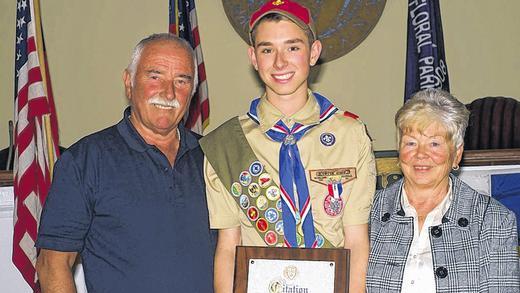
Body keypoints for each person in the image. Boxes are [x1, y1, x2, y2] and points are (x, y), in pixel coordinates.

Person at [200, 1, 376, 292]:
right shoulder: (228, 144)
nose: (280, 63)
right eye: (267, 50)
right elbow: (228, 247)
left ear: (314, 52)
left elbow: (357, 241)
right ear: (253, 57)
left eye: (293, 47)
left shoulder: (350, 135)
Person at [35, 33, 214, 293]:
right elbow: (52, 265)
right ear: (129, 82)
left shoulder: (212, 157)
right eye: (155, 77)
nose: (168, 92)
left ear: (193, 91)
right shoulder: (85, 161)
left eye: (182, 81)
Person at [366, 88, 520, 292]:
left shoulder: (494, 220)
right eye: (411, 143)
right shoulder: (368, 212)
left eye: (434, 144)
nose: (420, 154)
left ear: (456, 154)